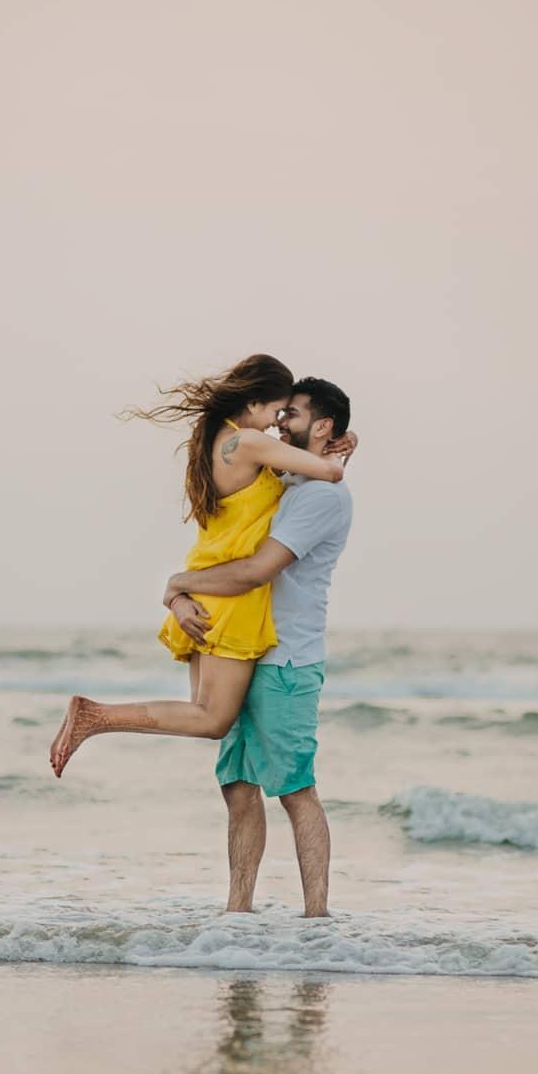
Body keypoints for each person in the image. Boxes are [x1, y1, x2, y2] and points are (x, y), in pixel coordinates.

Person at [49, 355, 351, 778]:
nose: (274, 423)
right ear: (253, 401)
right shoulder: (249, 443)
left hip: (206, 583)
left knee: (201, 712)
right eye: (273, 411)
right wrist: (342, 448)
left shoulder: (218, 440)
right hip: (231, 592)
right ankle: (96, 716)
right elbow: (327, 473)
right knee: (213, 719)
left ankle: (96, 717)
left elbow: (296, 470)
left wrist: (343, 438)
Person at [160, 378, 354, 917]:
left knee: (296, 791)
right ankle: (237, 913)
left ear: (320, 427)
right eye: (278, 412)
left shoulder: (319, 496)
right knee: (239, 788)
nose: (278, 424)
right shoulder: (291, 477)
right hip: (245, 651)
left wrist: (178, 584)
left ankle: (317, 919)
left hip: (287, 658)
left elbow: (257, 570)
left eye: (290, 415)